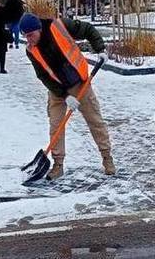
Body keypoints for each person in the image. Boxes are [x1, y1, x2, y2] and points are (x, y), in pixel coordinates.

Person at [19, 12, 114, 180]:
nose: (29, 39)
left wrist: (100, 49)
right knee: (56, 126)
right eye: (25, 36)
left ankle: (107, 158)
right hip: (57, 89)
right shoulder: (31, 50)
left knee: (95, 120)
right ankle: (58, 165)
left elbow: (87, 29)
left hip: (80, 83)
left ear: (39, 29)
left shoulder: (60, 26)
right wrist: (64, 95)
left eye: (31, 35)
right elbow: (43, 76)